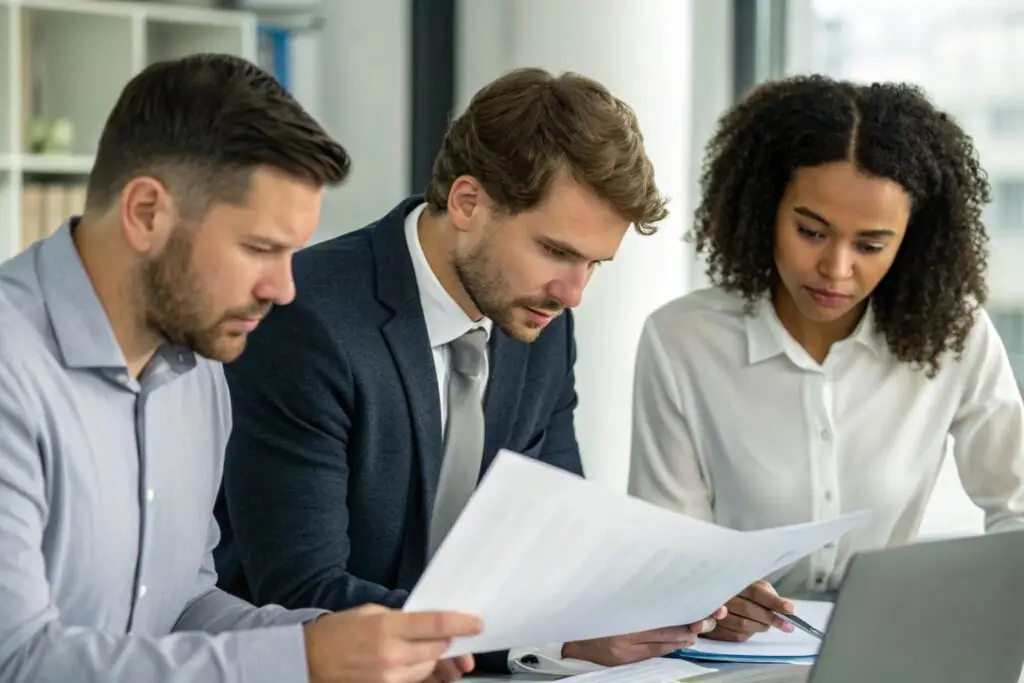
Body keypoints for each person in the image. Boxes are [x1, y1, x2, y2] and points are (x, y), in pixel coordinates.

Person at [212, 66, 725, 678]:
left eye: (595, 263)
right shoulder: (306, 320)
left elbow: (561, 541)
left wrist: (688, 599)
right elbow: (304, 590)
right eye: (556, 251)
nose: (573, 292)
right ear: (467, 202)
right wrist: (551, 634)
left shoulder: (542, 323)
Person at [0, 53, 483, 683]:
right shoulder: (13, 368)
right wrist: (302, 661)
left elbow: (181, 609)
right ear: (146, 213)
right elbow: (16, 660)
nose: (284, 289)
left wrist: (339, 641)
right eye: (260, 248)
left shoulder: (196, 372)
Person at [629, 74, 1024, 643]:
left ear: (911, 240)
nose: (836, 269)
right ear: (766, 208)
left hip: (888, 650)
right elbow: (671, 552)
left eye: (870, 244)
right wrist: (704, 598)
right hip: (725, 660)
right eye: (811, 232)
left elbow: (1017, 510)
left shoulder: (954, 335)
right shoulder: (683, 340)